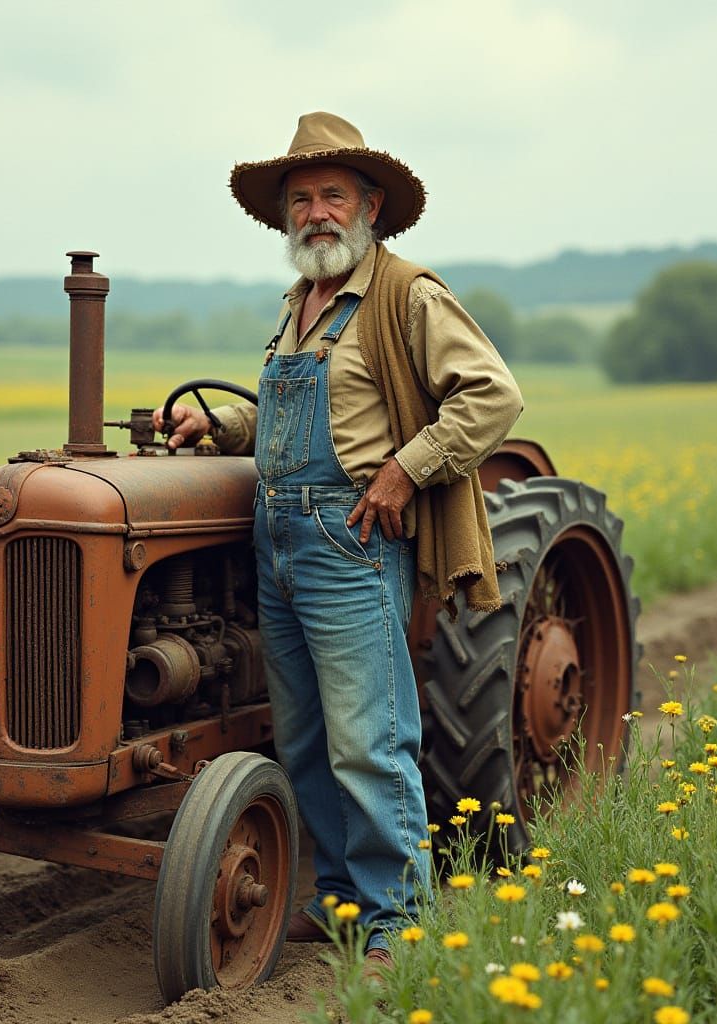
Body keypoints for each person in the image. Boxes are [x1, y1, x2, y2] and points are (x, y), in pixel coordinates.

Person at [153, 112, 523, 971]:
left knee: (369, 733)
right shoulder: (300, 304)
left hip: (346, 537)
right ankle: (343, 899)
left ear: (371, 205)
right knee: (305, 736)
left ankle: (401, 917)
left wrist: (406, 469)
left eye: (331, 196)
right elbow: (288, 418)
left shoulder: (407, 294)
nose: (315, 213)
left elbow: (492, 396)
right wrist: (219, 426)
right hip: (275, 536)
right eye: (300, 199)